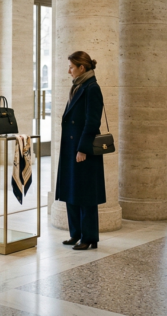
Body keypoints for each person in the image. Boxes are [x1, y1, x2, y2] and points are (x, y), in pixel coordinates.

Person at [56, 51, 106, 250]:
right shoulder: (78, 87)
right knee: (72, 192)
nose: (69, 71)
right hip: (71, 147)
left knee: (86, 195)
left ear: (81, 68)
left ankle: (89, 237)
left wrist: (83, 148)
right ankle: (75, 234)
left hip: (83, 149)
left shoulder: (92, 88)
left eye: (71, 67)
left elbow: (92, 121)